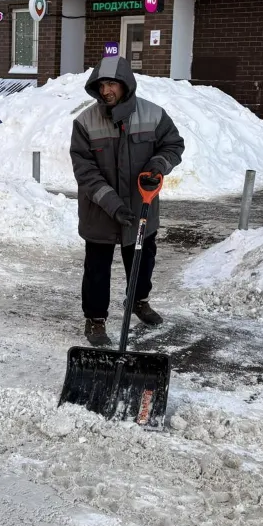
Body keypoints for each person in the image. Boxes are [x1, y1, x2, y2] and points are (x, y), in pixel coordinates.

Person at [70, 56, 185, 346]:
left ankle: (139, 301)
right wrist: (112, 203)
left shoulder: (154, 115)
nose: (105, 91)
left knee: (143, 261)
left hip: (141, 206)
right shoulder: (85, 122)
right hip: (100, 211)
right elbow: (85, 171)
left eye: (111, 84)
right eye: (101, 85)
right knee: (97, 268)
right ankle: (95, 320)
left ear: (126, 85)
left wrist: (158, 165)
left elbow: (173, 144)